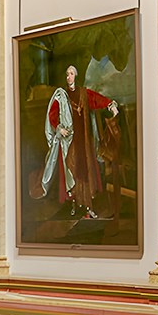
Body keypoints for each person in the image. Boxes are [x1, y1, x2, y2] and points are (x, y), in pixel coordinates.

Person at [41, 64, 120, 218]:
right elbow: (53, 114)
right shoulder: (61, 95)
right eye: (67, 74)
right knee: (72, 170)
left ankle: (88, 206)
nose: (68, 77)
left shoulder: (83, 93)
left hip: (83, 140)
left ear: (75, 76)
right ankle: (75, 204)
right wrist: (58, 127)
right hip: (69, 142)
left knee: (86, 171)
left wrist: (110, 105)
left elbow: (97, 100)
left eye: (71, 73)